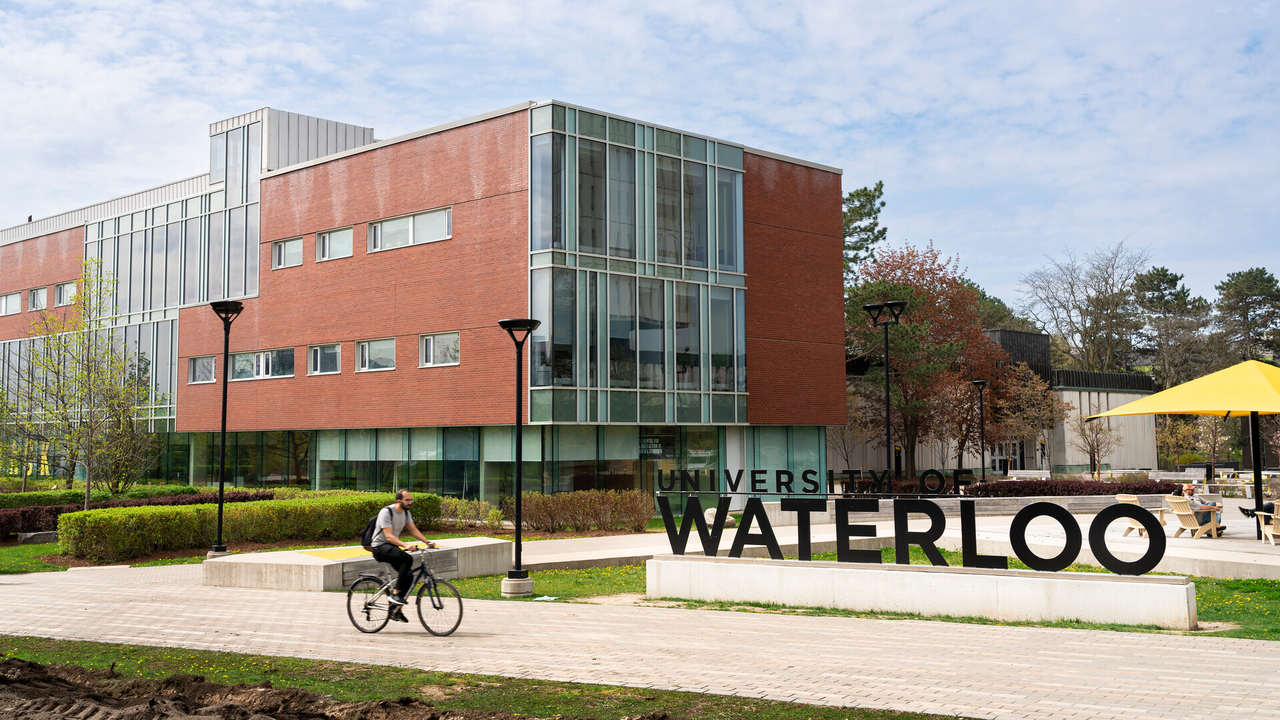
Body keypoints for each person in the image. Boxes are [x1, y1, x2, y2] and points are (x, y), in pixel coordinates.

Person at [371, 490, 435, 621]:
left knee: (409, 576)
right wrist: (406, 546)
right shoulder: (386, 512)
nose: (410, 502)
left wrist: (427, 541)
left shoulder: (406, 512)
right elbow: (388, 536)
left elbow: (413, 530)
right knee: (407, 558)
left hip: (390, 546)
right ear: (398, 501)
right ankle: (395, 594)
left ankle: (395, 609)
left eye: (411, 500)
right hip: (379, 547)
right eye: (407, 500)